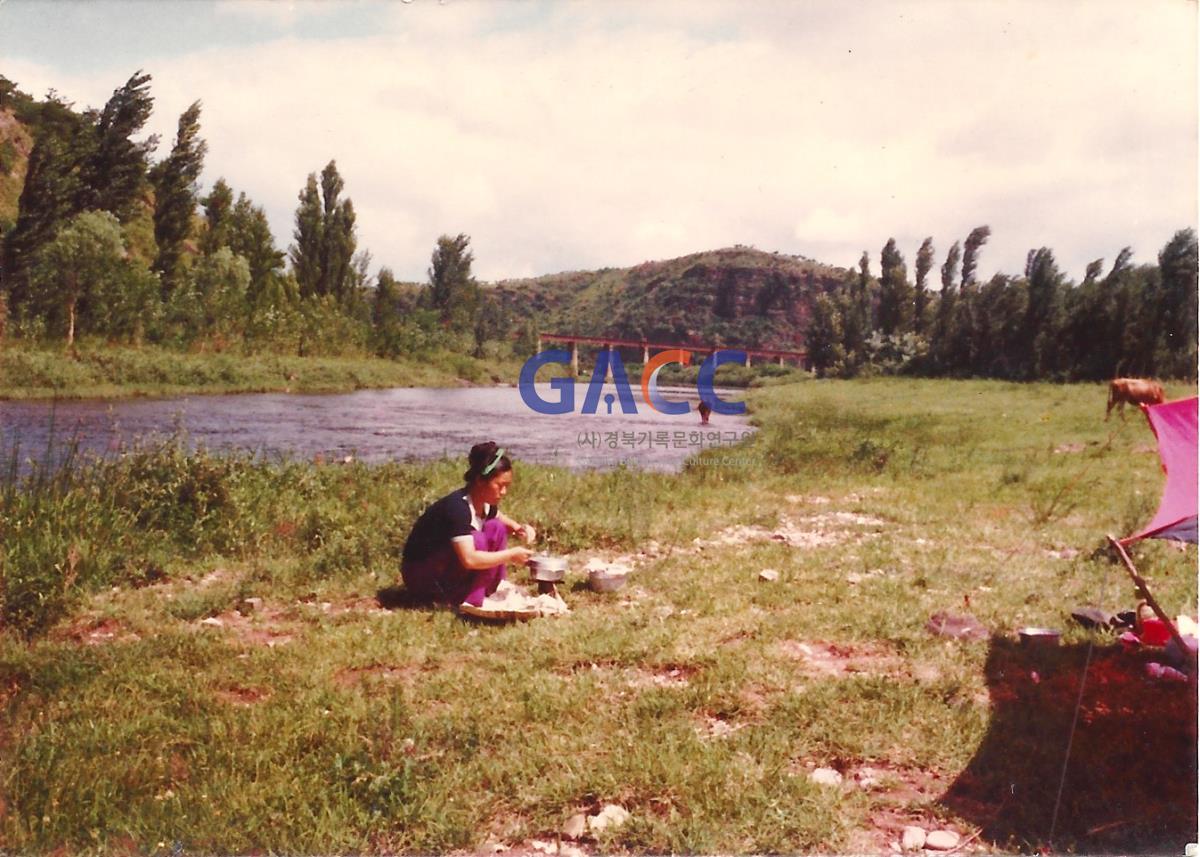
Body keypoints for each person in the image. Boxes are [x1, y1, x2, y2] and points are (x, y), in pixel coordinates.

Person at [400, 441, 536, 607]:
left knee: (496, 527)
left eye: (507, 486)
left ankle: (493, 586)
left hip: (443, 568)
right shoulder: (458, 508)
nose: (504, 492)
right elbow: (469, 559)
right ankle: (468, 598)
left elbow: (499, 518)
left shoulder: (483, 503)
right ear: (480, 480)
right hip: (422, 576)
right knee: (477, 540)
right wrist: (510, 555)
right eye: (500, 486)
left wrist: (518, 528)